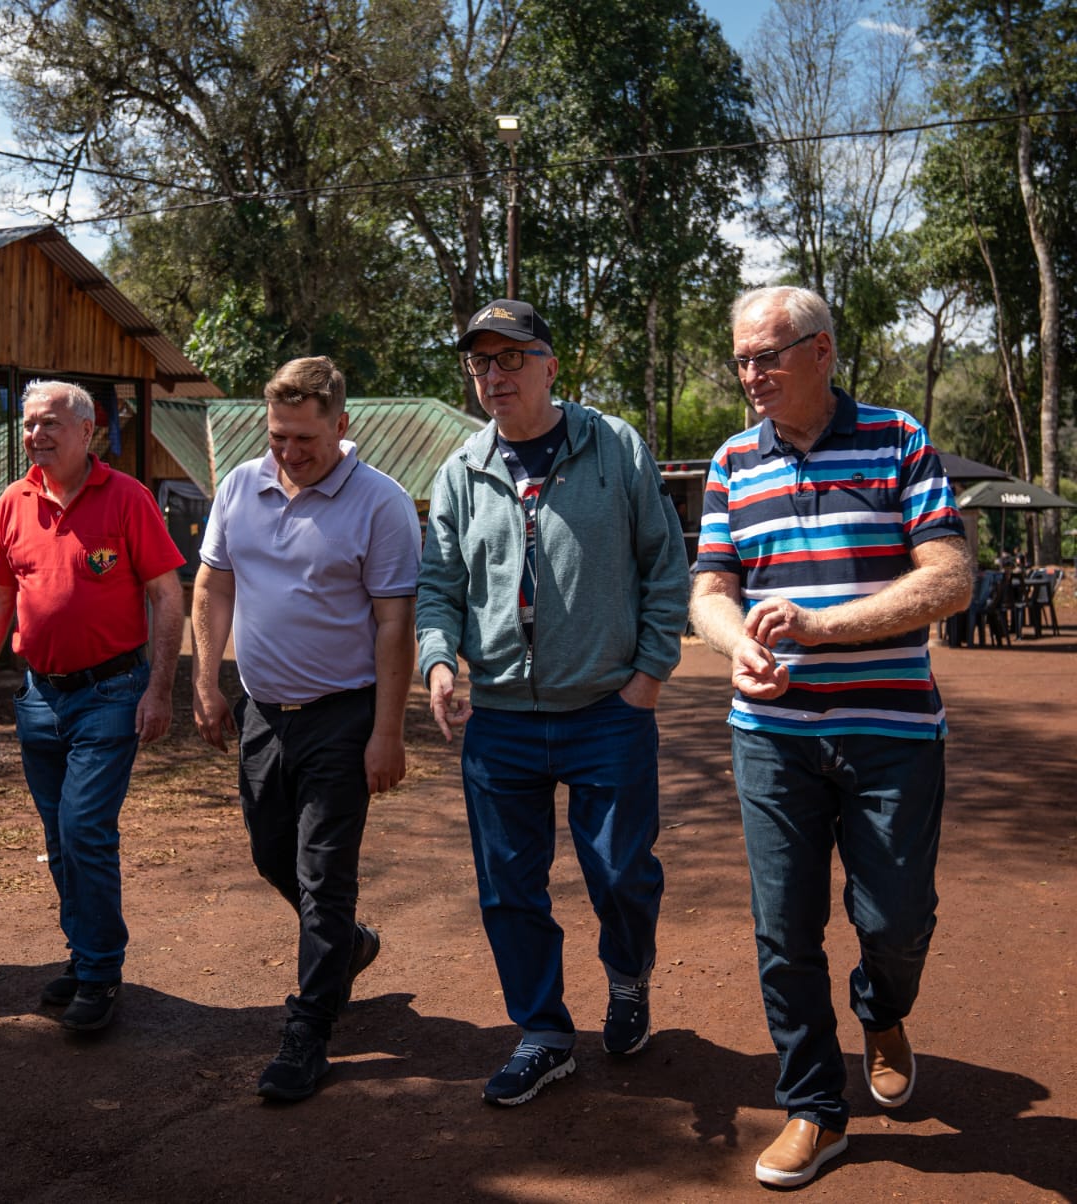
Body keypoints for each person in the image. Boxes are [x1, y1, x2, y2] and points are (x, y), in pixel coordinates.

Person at [689, 286, 973, 1189]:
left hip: (891, 732)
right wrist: (740, 649)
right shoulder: (733, 460)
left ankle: (882, 1010)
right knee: (784, 930)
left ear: (822, 352)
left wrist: (820, 629)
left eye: (767, 356)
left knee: (896, 921)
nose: (751, 375)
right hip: (771, 734)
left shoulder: (899, 439)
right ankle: (815, 1108)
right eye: (740, 359)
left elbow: (951, 579)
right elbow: (708, 594)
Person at [416, 299, 690, 1106]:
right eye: (481, 363)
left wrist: (649, 674)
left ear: (549, 364)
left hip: (608, 708)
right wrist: (438, 662)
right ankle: (542, 1032)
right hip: (500, 718)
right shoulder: (462, 468)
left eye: (511, 358)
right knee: (508, 886)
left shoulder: (616, 447)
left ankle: (628, 976)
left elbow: (664, 565)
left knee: (621, 875)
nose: (494, 376)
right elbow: (439, 585)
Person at [192, 356, 421, 1101]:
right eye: (278, 437)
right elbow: (214, 583)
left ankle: (309, 1029)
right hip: (263, 709)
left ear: (340, 425)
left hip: (343, 713)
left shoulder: (380, 504)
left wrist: (388, 731)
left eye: (304, 440)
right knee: (270, 853)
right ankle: (348, 945)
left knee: (325, 875)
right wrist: (206, 683)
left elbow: (395, 623)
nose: (289, 454)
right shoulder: (239, 487)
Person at [0, 380, 184, 1033]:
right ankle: (86, 957)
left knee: (84, 828)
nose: (37, 436)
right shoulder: (13, 502)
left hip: (112, 691)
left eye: (51, 423)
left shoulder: (129, 499)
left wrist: (160, 689)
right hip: (38, 697)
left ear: (89, 431)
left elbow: (167, 597)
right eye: (29, 425)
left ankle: (102, 971)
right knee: (60, 839)